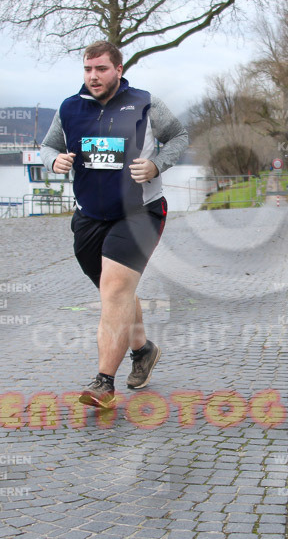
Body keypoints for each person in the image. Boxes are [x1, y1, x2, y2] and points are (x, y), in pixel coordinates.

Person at [40, 41, 189, 409]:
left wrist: (156, 165)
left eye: (101, 69)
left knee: (116, 288)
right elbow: (48, 146)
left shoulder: (145, 103)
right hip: (88, 217)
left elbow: (179, 137)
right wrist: (53, 161)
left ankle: (103, 383)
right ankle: (143, 350)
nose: (93, 76)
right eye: (88, 69)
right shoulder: (69, 108)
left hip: (140, 213)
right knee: (115, 293)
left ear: (118, 70)